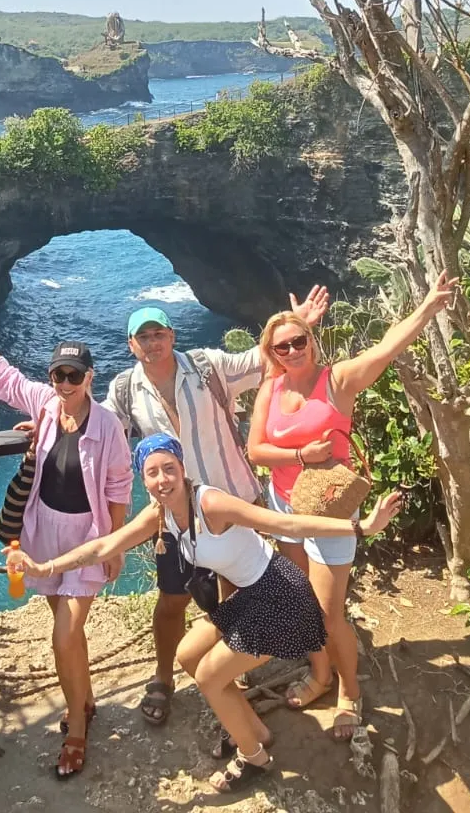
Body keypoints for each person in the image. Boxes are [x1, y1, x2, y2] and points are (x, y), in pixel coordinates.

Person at [7, 434, 401, 795]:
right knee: (188, 655)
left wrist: (360, 527)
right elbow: (103, 546)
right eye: (152, 473)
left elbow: (285, 522)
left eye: (169, 469)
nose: (162, 479)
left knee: (212, 675)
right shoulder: (159, 514)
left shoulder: (209, 503)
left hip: (280, 596)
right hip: (250, 596)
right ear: (144, 480)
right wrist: (45, 568)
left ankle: (253, 758)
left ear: (182, 470)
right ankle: (256, 730)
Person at [103, 286, 330, 727]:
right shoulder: (126, 388)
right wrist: (53, 418)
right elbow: (101, 425)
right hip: (177, 516)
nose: (152, 343)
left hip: (228, 501)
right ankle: (164, 677)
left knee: (239, 585)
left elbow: (262, 360)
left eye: (159, 334)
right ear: (132, 345)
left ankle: (237, 666)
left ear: (172, 335)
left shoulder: (207, 366)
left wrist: (296, 323)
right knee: (171, 600)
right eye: (142, 337)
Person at [248, 270, 458, 740]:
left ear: (311, 340)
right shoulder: (271, 389)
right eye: (281, 347)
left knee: (328, 612)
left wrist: (427, 305)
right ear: (272, 354)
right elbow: (255, 451)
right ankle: (320, 675)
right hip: (285, 505)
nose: (292, 352)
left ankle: (349, 691)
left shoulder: (337, 381)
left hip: (330, 512)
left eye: (298, 342)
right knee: (301, 601)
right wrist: (302, 455)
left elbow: (386, 347)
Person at [0, 300, 132, 781]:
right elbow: (4, 377)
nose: (65, 383)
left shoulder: (109, 426)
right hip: (43, 532)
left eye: (74, 375)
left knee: (65, 634)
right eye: (58, 375)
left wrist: (115, 545)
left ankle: (75, 734)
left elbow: (117, 490)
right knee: (68, 634)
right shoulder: (47, 407)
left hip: (86, 539)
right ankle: (83, 699)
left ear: (90, 377)